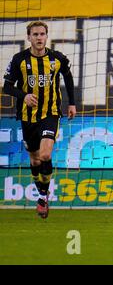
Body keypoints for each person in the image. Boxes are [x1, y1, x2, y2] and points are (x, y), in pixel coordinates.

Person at [2, 21, 76, 219]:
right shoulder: (19, 60)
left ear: (46, 36)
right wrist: (23, 95)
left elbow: (68, 78)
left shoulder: (57, 59)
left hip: (50, 113)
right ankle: (41, 190)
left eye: (42, 34)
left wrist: (72, 103)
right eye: (35, 34)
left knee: (44, 155)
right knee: (34, 159)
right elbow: (7, 87)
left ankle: (43, 195)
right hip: (28, 117)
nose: (39, 37)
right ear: (29, 37)